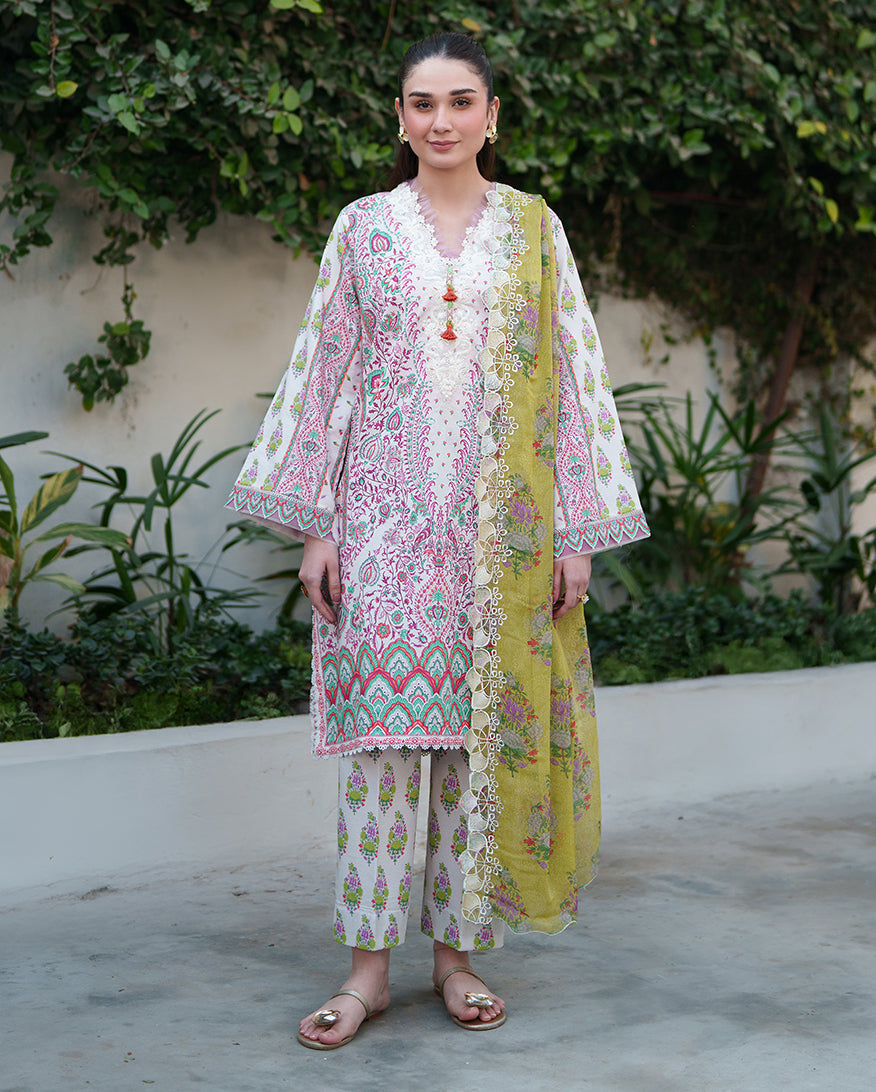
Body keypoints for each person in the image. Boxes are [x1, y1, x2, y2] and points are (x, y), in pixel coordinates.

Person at [227, 31, 649, 1050]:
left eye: (462, 101)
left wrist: (574, 534)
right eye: (424, 103)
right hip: (381, 527)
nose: (443, 120)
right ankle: (367, 973)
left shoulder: (535, 231)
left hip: (501, 539)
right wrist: (319, 526)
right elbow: (325, 373)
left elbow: (576, 377)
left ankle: (457, 959)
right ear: (401, 117)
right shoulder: (364, 228)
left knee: (476, 753)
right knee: (382, 751)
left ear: (492, 116)